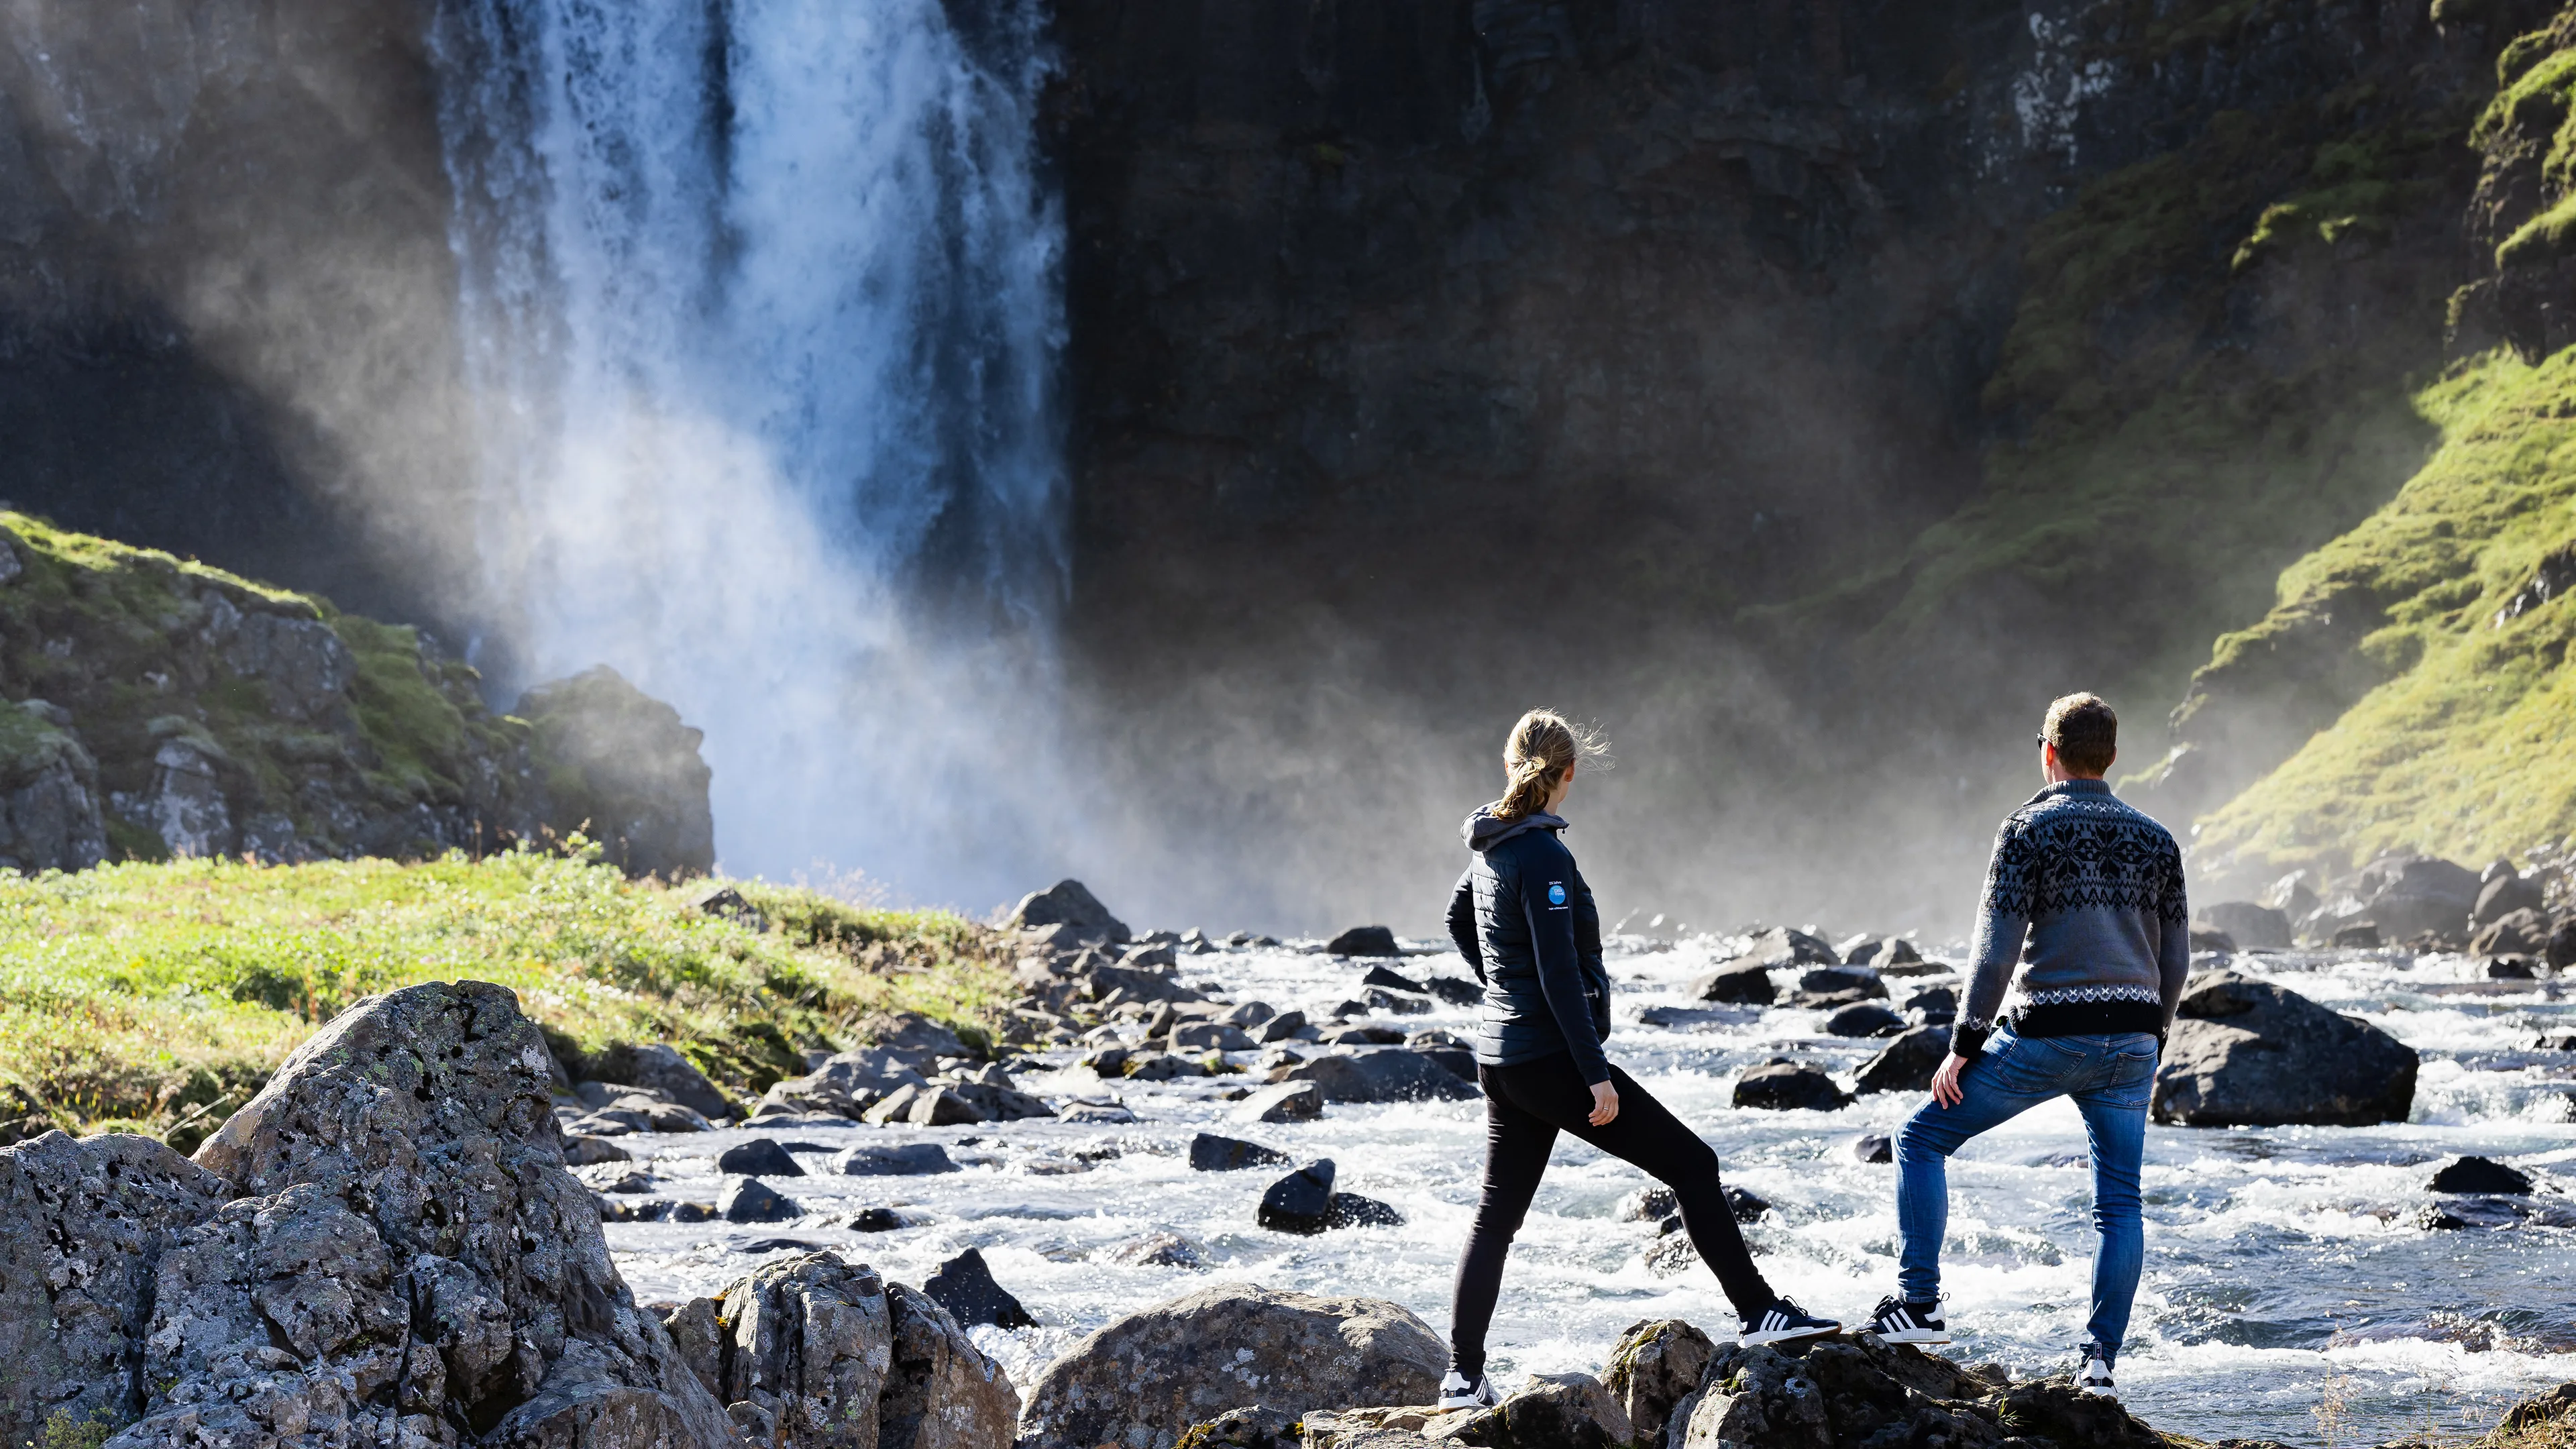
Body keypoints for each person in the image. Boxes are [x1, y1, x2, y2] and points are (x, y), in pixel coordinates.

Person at [1439, 708, 1837, 1411]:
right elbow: (1561, 975)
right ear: (1569, 775)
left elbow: (1455, 916)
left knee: (1495, 1216)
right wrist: (1594, 1072)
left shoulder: (1490, 844)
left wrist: (1499, 989)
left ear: (1510, 765)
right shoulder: (1546, 856)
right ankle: (1760, 1312)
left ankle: (1462, 1378)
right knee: (1694, 1165)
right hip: (1550, 1058)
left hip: (1500, 1058)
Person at [1865, 693, 2188, 1402]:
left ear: (2048, 753)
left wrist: (1962, 1044)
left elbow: (1994, 954)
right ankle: (2099, 1364)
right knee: (2120, 1204)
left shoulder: (2026, 828)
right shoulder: (2158, 839)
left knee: (1919, 1139)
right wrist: (2154, 1037)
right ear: (2110, 756)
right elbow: (2176, 959)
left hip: (2046, 1034)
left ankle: (1919, 1305)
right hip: (2132, 1041)